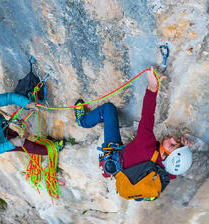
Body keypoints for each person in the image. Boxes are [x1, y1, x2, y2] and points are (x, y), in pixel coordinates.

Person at [74, 67, 193, 200]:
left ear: (164, 155)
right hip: (123, 174)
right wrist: (184, 149)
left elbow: (148, 115)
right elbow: (175, 169)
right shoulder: (168, 173)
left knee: (108, 109)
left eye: (172, 144)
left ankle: (83, 121)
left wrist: (152, 87)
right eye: (176, 142)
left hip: (113, 156)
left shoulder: (145, 143)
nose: (172, 138)